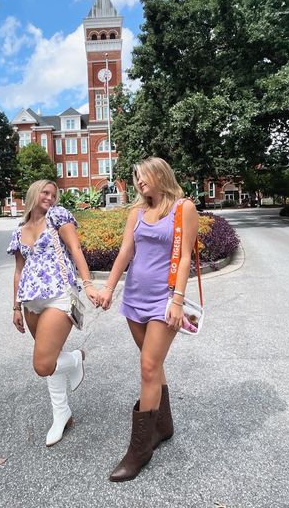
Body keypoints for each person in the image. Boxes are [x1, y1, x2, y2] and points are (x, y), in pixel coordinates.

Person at [99, 157, 199, 482]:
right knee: (152, 363)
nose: (139, 182)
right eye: (136, 177)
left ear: (160, 175)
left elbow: (184, 258)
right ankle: (164, 425)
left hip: (163, 301)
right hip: (134, 299)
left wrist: (178, 300)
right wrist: (109, 288)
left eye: (144, 176)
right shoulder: (136, 213)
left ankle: (139, 450)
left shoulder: (183, 209)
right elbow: (125, 252)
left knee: (148, 367)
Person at [7, 180, 99, 446]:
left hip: (59, 295)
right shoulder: (19, 230)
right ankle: (62, 414)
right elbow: (18, 271)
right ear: (33, 194)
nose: (49, 197)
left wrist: (89, 284)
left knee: (43, 364)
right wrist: (15, 306)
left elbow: (76, 249)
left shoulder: (57, 216)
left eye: (54, 194)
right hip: (30, 302)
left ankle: (75, 360)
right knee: (50, 358)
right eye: (45, 192)